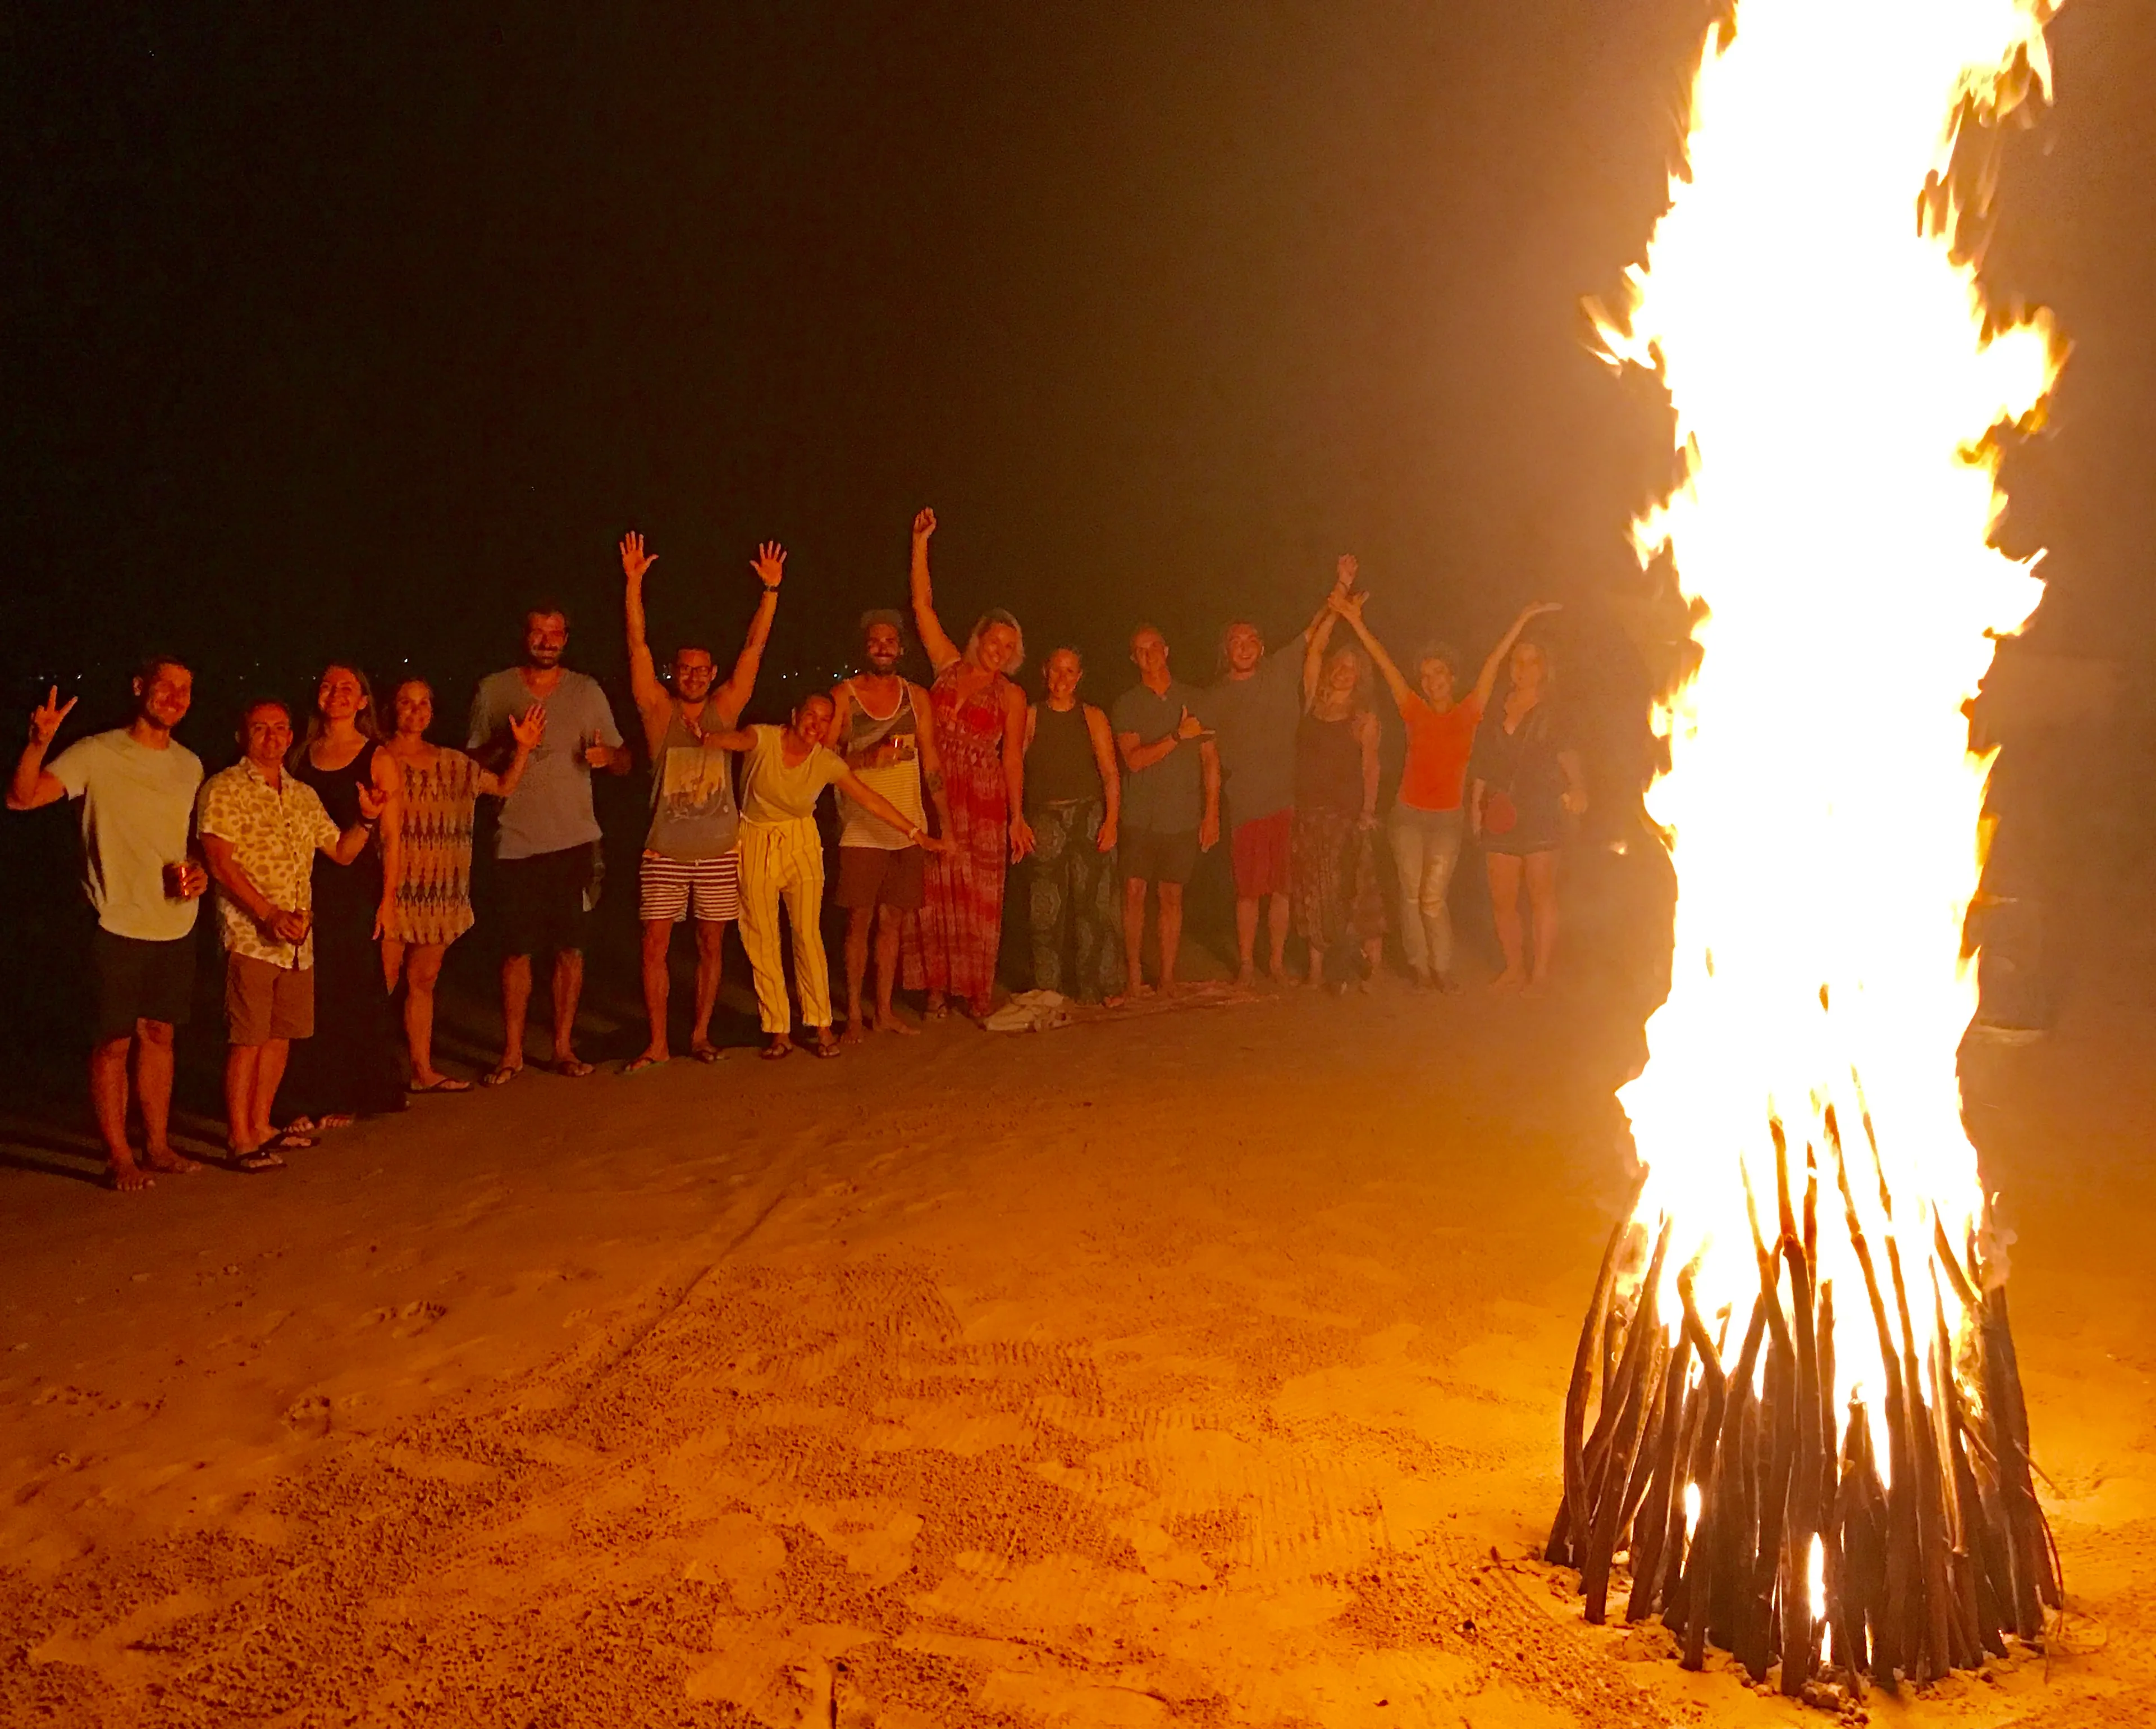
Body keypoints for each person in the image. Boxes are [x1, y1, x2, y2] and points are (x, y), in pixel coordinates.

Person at [6, 659, 211, 1190]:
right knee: (114, 1043)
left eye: (185, 689)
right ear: (139, 687)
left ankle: (158, 1145)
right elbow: (21, 798)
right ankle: (118, 1155)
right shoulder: (96, 753)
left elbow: (188, 841)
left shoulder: (190, 765)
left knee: (160, 1034)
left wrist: (200, 873)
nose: (175, 696)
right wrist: (37, 743)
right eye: (165, 685)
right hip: (114, 918)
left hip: (174, 921)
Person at [697, 695, 952, 1059]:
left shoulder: (825, 762)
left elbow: (871, 800)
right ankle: (779, 1030)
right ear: (794, 715)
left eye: (823, 720)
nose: (814, 725)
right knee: (761, 936)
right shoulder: (766, 737)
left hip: (800, 839)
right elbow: (740, 740)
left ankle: (821, 1025)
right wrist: (712, 738)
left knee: (807, 934)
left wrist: (918, 834)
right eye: (810, 716)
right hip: (755, 837)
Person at [1328, 592, 1559, 989]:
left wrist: (1521, 621)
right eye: (1426, 675)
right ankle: (1420, 967)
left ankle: (1442, 967)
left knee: (1432, 898)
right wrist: (1355, 621)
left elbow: (1491, 664)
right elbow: (1383, 664)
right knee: (1410, 896)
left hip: (1447, 819)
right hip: (1408, 816)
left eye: (1440, 673)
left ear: (1452, 677)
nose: (1432, 680)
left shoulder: (1470, 712)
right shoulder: (1413, 709)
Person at [620, 531, 784, 1070]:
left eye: (701, 669)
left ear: (712, 675)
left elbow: (754, 651)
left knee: (713, 946)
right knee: (655, 948)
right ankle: (658, 1041)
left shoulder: (725, 710)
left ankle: (699, 1035)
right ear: (676, 673)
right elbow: (637, 649)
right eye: (684, 669)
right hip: (664, 850)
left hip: (718, 850)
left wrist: (770, 594)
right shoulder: (659, 714)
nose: (693, 676)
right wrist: (634, 584)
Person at [197, 699, 384, 1170]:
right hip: (251, 934)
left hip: (298, 940)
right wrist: (266, 913)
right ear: (243, 736)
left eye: (281, 727)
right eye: (260, 728)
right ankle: (239, 1138)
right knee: (248, 1037)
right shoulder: (223, 788)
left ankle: (262, 1124)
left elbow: (341, 852)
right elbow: (219, 861)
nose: (273, 736)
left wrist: (366, 820)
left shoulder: (301, 794)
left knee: (281, 1035)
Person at [468, 600, 630, 1082]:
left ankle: (562, 1047)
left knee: (571, 949)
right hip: (516, 840)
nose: (546, 640)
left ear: (566, 638)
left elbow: (624, 758)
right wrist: (513, 745)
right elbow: (471, 762)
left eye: (555, 633)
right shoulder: (494, 690)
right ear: (525, 636)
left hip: (577, 841)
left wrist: (608, 757)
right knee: (516, 951)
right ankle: (513, 1052)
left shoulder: (586, 691)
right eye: (538, 632)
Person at [899, 507, 1033, 1019]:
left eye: (1009, 647)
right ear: (979, 637)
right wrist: (920, 544)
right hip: (937, 786)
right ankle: (936, 988)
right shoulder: (948, 666)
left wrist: (1016, 816)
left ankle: (976, 989)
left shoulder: (1012, 695)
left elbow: (1014, 759)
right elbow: (921, 604)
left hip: (983, 796)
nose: (999, 650)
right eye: (994, 641)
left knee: (979, 893)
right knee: (932, 889)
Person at [380, 678, 543, 1091]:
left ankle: (421, 1069)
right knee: (380, 982)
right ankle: (369, 1075)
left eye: (423, 703)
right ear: (390, 708)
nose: (415, 711)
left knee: (423, 981)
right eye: (406, 702)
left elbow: (503, 786)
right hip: (391, 890)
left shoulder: (453, 763)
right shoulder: (379, 759)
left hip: (440, 892)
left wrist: (523, 748)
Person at [1208, 558, 1356, 986]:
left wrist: (1341, 586)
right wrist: (1212, 808)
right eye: (1237, 641)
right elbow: (1208, 753)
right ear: (1226, 650)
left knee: (1283, 889)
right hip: (1247, 804)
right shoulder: (1216, 697)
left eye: (1252, 639)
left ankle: (1273, 961)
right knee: (1248, 891)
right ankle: (1247, 965)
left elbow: (1314, 632)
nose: (1245, 645)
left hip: (1286, 800)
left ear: (1261, 645)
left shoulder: (1279, 669)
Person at [281, 664, 405, 1127]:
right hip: (307, 884)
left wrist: (388, 900)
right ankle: (307, 1091)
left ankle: (353, 1093)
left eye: (347, 688)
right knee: (311, 988)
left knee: (352, 987)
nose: (335, 693)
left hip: (356, 885)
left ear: (361, 701)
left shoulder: (377, 756)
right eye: (328, 685)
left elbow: (391, 837)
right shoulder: (298, 755)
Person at [830, 610, 953, 1041]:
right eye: (875, 640)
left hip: (909, 828)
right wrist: (867, 759)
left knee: (893, 923)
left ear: (902, 649)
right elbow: (821, 765)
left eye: (890, 641)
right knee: (858, 923)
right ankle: (854, 1017)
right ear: (864, 647)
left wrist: (946, 825)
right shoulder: (842, 698)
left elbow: (932, 764)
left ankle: (882, 1011)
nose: (883, 647)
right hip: (860, 828)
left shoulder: (916, 697)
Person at [1469, 636, 1587, 992]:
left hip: (1540, 810)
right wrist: (1476, 806)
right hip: (1501, 810)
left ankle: (1541, 972)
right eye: (1518, 662)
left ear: (1544, 668)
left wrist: (1579, 787)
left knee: (1541, 895)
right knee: (1502, 898)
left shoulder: (1554, 711)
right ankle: (1514, 968)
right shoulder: (1496, 709)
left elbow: (1569, 754)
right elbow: (1484, 763)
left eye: (1532, 661)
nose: (1524, 668)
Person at [1113, 624, 1221, 996]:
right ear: (1133, 659)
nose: (1149, 654)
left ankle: (1169, 978)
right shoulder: (1127, 704)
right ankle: (1132, 977)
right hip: (1140, 815)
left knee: (1172, 895)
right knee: (1133, 892)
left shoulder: (1196, 699)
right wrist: (1178, 736)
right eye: (1140, 650)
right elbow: (1135, 761)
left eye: (1154, 646)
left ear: (1167, 649)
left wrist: (1212, 814)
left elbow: (1210, 761)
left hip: (1182, 815)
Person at [1024, 647, 1124, 1004]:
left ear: (1079, 676)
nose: (1061, 679)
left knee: (1095, 906)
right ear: (1044, 673)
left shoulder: (1092, 716)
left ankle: (1102, 985)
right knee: (1045, 909)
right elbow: (1015, 768)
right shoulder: (1031, 716)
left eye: (1069, 672)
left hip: (1088, 814)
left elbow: (1110, 772)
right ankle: (1047, 988)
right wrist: (1018, 819)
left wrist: (1111, 820)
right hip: (1045, 816)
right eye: (1055, 671)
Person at [1294, 606, 1386, 991]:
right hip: (1310, 812)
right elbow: (1313, 651)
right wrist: (1336, 605)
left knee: (1358, 892)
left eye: (1353, 667)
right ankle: (1317, 972)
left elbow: (1371, 768)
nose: (1344, 670)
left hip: (1346, 814)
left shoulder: (1363, 717)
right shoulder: (1313, 701)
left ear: (1361, 676)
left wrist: (1368, 811)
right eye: (1341, 663)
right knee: (1313, 893)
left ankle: (1370, 972)